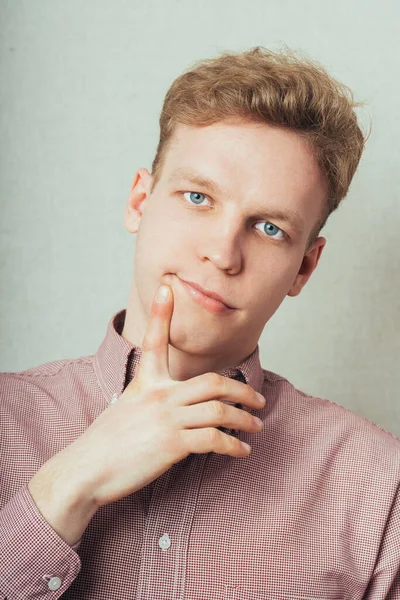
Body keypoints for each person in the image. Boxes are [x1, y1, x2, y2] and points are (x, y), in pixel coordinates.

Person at [0, 46, 399, 600]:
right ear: (140, 200)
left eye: (269, 228)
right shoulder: (5, 421)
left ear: (304, 267)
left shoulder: (378, 486)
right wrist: (70, 482)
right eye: (197, 197)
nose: (222, 252)